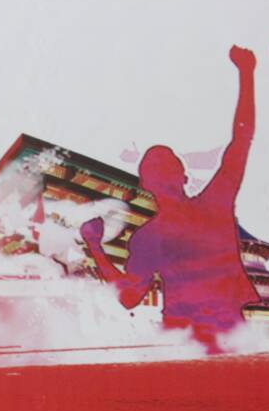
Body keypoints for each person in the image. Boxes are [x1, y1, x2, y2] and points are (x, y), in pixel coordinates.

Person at [81, 45, 259, 353]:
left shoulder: (150, 236)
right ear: (181, 177)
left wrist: (95, 246)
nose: (162, 167)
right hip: (221, 338)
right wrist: (246, 73)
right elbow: (241, 139)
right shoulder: (214, 204)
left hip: (186, 343)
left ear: (146, 184)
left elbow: (128, 297)